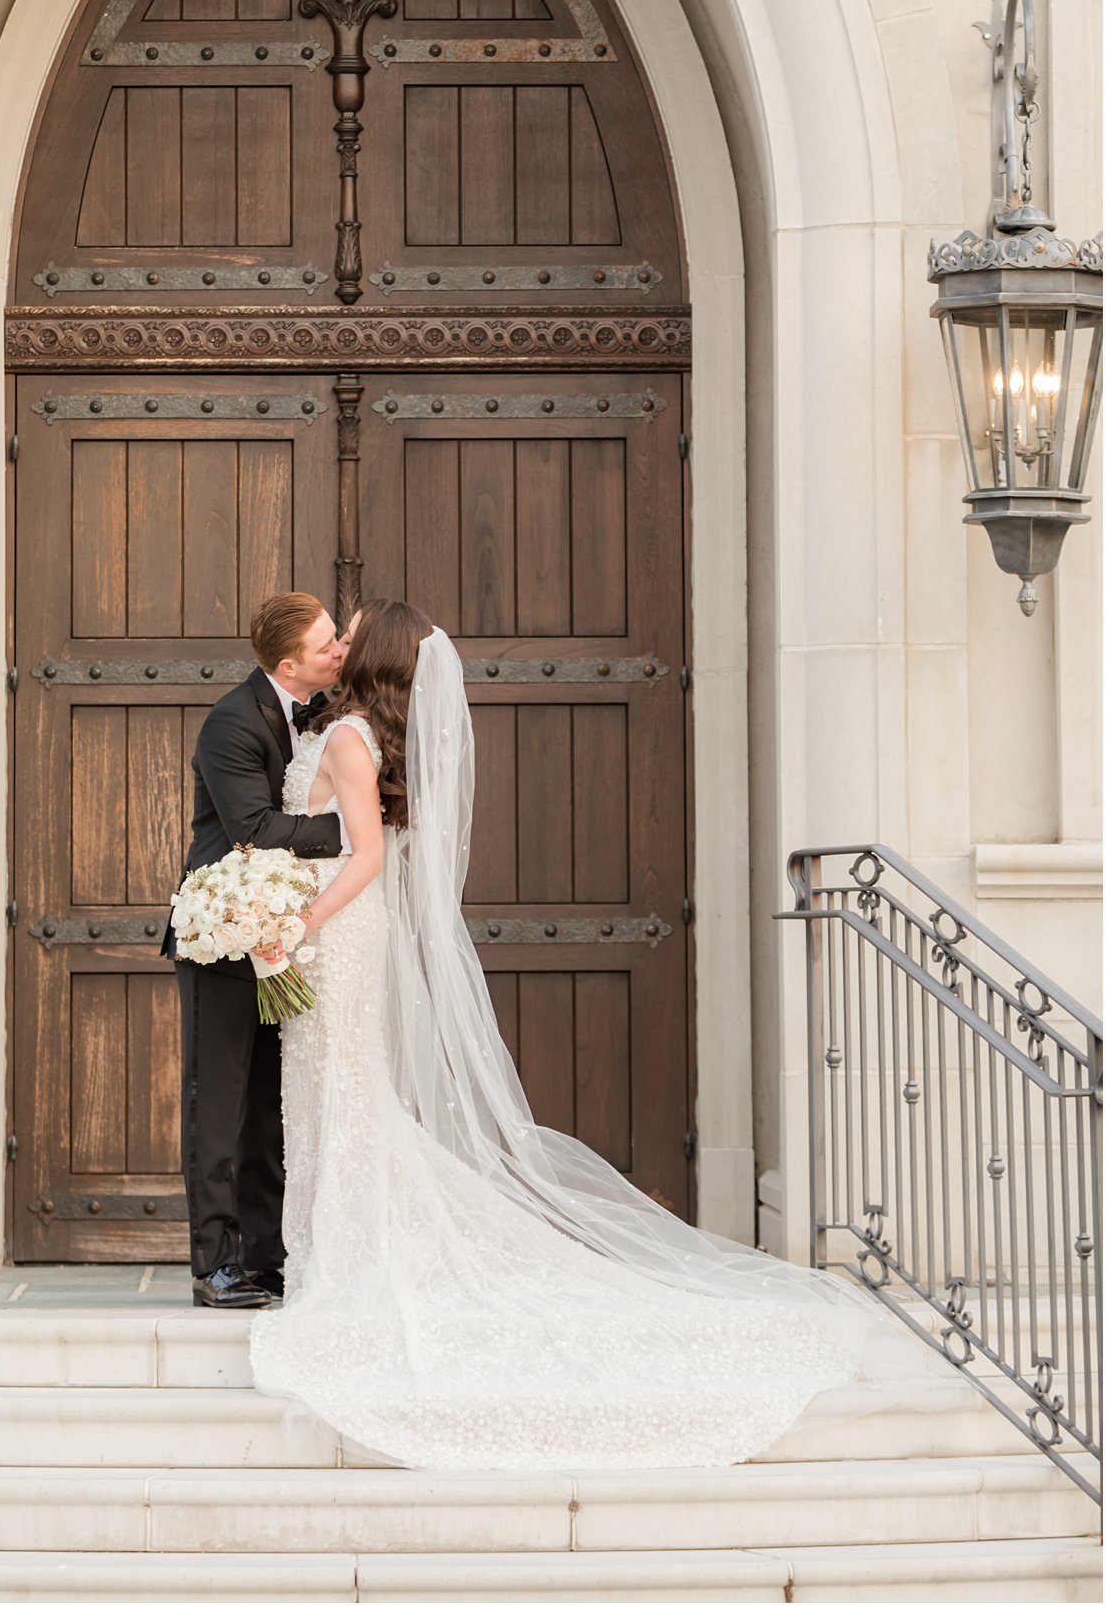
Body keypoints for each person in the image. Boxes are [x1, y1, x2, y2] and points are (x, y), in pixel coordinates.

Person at [250, 598, 900, 1469]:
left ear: (370, 656)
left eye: (352, 628)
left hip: (337, 933)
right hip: (337, 934)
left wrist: (297, 923)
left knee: (341, 1085)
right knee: (338, 1085)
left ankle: (349, 1246)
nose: (343, 631)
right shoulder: (359, 734)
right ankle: (341, 1235)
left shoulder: (347, 741)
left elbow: (363, 857)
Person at [161, 591, 346, 1308]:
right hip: (221, 937)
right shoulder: (232, 720)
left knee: (269, 1102)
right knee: (218, 1101)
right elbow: (256, 828)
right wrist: (352, 830)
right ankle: (216, 1265)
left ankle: (267, 1257)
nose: (340, 649)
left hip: (281, 934)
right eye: (329, 640)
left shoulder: (317, 714)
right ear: (290, 661)